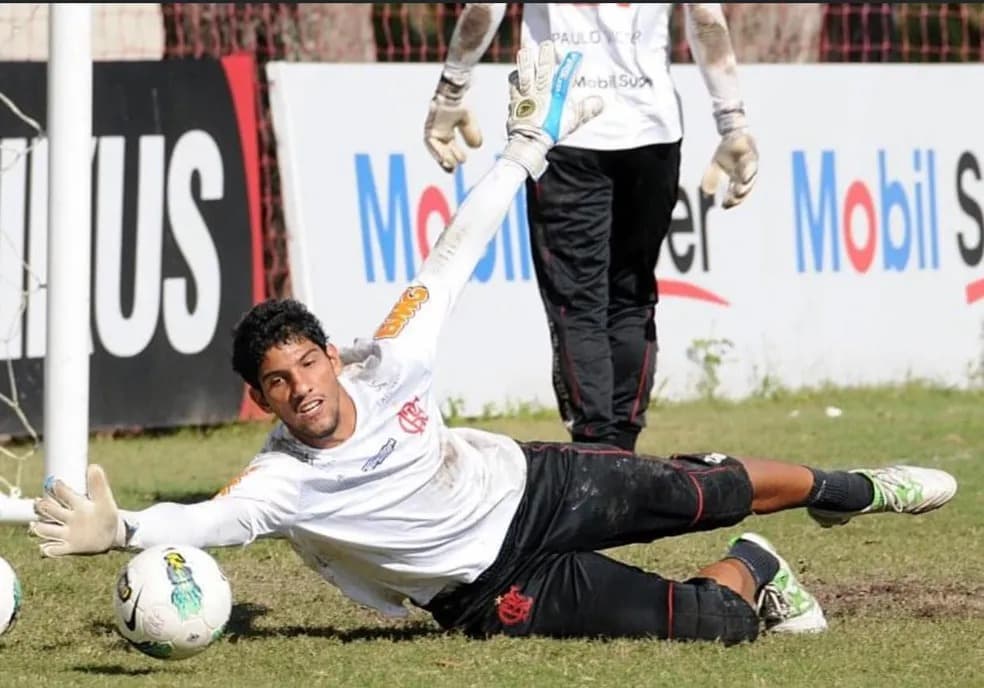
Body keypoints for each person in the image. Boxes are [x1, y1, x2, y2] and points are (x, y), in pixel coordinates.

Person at [31, 44, 955, 645]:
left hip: (534, 483)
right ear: (263, 401)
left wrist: (523, 148)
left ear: (328, 355)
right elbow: (197, 521)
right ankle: (759, 565)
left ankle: (856, 490)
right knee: (707, 623)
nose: (301, 388)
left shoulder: (391, 357)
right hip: (489, 588)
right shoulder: (281, 483)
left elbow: (456, 250)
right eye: (277, 384)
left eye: (306, 363)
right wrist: (119, 531)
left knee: (701, 490)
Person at [424, 4, 758, 451]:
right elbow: (706, 19)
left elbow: (485, 7)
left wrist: (451, 90)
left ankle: (598, 452)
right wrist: (732, 123)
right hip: (652, 135)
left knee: (577, 305)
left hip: (565, 132)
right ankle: (621, 450)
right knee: (632, 296)